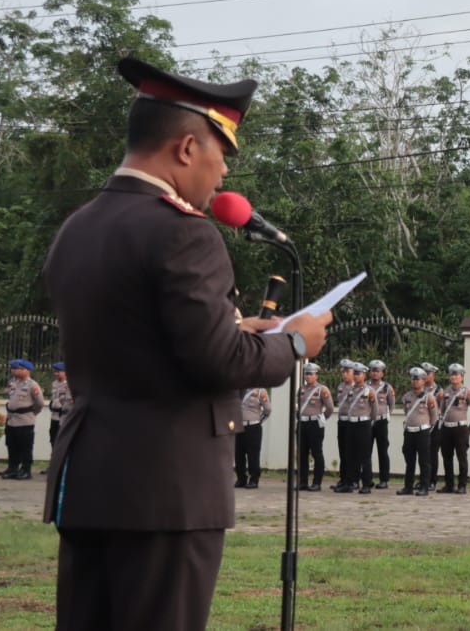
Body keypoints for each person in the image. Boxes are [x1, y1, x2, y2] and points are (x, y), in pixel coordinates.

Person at [41, 56, 330, 631]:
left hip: (92, 482)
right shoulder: (182, 231)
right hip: (166, 490)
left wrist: (235, 328)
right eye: (222, 155)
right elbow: (217, 361)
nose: (222, 174)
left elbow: (140, 340)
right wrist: (295, 344)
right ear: (187, 147)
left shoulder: (80, 227)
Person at [436, 364, 470, 494]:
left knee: (462, 457)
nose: (454, 377)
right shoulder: (445, 392)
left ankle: (462, 485)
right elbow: (441, 411)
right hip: (446, 428)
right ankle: (449, 485)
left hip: (460, 429)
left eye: (457, 374)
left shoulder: (467, 392)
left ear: (462, 377)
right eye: (452, 374)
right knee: (447, 457)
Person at [333, 363, 375, 494]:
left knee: (364, 456)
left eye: (359, 374)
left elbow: (375, 409)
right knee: (350, 454)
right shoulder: (351, 391)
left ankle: (366, 484)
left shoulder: (369, 391)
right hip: (351, 424)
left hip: (363, 424)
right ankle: (350, 482)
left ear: (364, 375)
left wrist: (369, 421)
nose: (356, 376)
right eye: (355, 374)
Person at [398, 367, 439, 496]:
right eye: (413, 379)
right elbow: (406, 412)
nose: (415, 382)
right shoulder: (407, 397)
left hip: (423, 432)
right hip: (409, 432)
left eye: (418, 379)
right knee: (409, 461)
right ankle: (408, 487)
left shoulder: (429, 398)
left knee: (424, 461)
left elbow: (434, 417)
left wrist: (427, 428)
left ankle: (424, 487)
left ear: (424, 381)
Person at [2, 360, 45, 479]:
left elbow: (40, 403)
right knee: (12, 445)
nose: (15, 370)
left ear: (27, 370)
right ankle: (12, 468)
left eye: (20, 369)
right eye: (15, 368)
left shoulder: (32, 385)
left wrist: (31, 414)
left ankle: (26, 470)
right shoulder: (12, 383)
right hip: (11, 420)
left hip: (25, 421)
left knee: (25, 447)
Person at [297, 363, 333, 490]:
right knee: (302, 454)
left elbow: (330, 408)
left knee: (317, 453)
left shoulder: (322, 390)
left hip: (315, 424)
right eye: (306, 373)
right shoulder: (301, 389)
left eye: (311, 374)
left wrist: (322, 419)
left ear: (317, 375)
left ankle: (317, 483)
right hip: (303, 423)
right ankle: (303, 482)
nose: (308, 376)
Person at [367, 360, 395, 489]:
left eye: (377, 371)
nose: (374, 373)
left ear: (382, 373)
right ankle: (367, 479)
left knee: (382, 451)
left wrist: (386, 415)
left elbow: (392, 404)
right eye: (372, 370)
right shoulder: (365, 386)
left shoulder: (387, 388)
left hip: (381, 421)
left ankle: (384, 479)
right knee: (365, 451)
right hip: (367, 421)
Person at [234, 387, 270, 489]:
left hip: (253, 427)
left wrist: (259, 421)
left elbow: (268, 409)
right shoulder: (239, 390)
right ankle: (241, 478)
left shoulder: (260, 391)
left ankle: (254, 479)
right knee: (238, 453)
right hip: (239, 426)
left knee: (253, 454)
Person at [48, 362, 73, 453]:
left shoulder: (70, 384)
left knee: (62, 441)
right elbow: (54, 398)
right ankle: (54, 464)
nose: (56, 374)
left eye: (58, 371)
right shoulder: (54, 383)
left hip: (64, 417)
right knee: (53, 439)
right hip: (54, 416)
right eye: (55, 371)